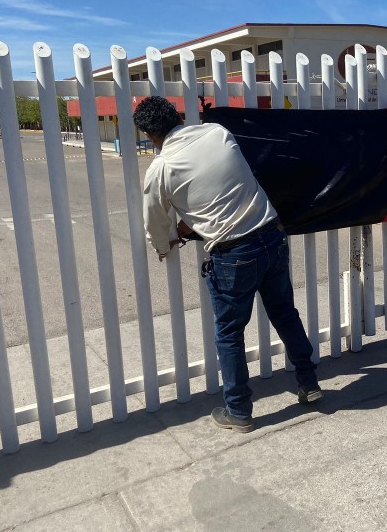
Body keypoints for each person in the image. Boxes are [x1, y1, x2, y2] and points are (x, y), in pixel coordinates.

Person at [135, 96, 322, 433]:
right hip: (271, 233)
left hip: (234, 253)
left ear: (149, 135)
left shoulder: (161, 168)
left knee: (229, 334)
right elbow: (223, 184)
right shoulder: (216, 133)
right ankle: (309, 383)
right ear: (178, 116)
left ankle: (238, 411)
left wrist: (165, 245)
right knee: (285, 313)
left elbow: (154, 221)